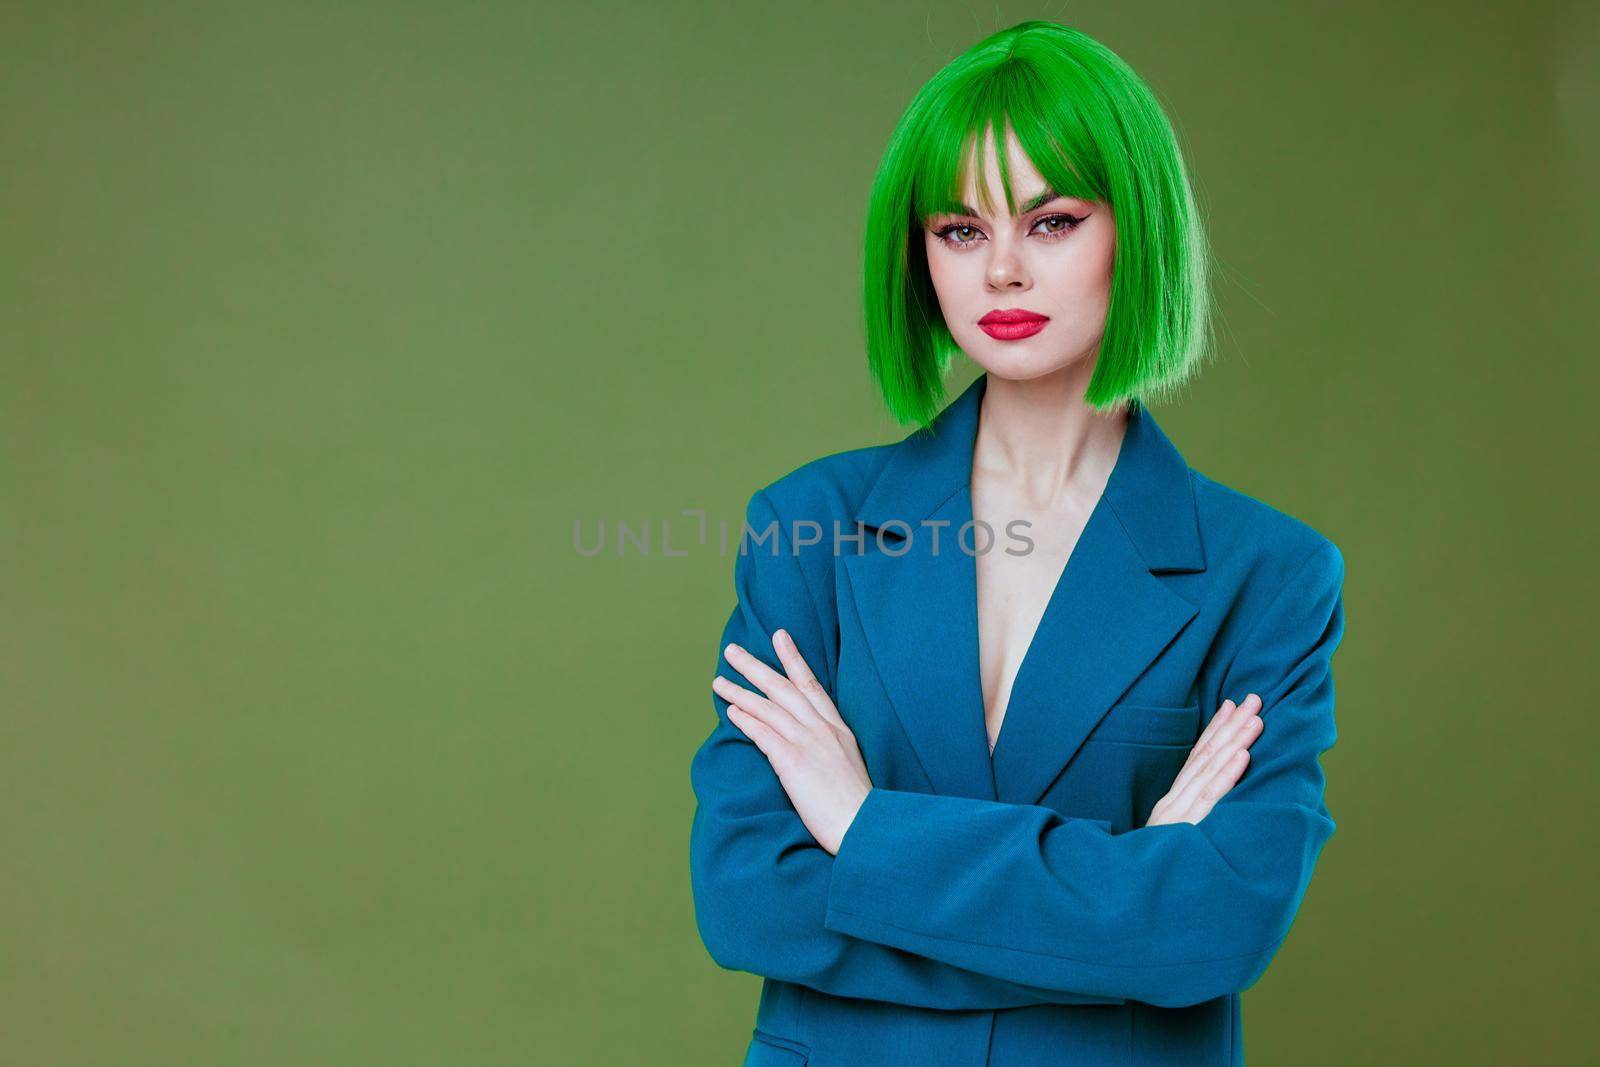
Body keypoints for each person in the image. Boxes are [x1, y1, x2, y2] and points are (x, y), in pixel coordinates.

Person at [688, 20, 1346, 1067]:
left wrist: (863, 831)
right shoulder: (806, 530)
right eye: (958, 229)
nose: (1000, 270)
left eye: (1050, 222)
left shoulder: (1270, 575)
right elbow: (746, 896)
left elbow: (1213, 927)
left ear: (1138, 230)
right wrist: (1124, 886)